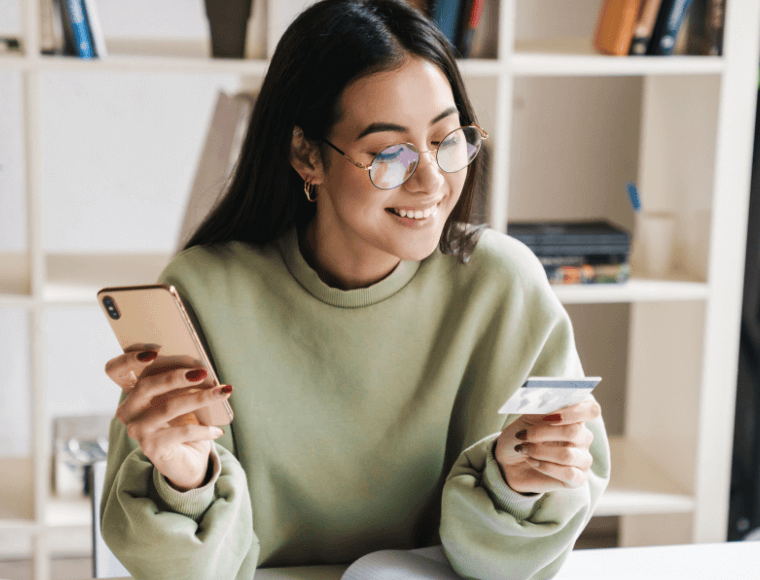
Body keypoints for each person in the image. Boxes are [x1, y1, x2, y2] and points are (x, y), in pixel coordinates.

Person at [99, 1, 610, 578]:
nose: (431, 181)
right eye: (389, 153)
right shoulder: (203, 291)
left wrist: (520, 484)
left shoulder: (503, 284)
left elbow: (512, 565)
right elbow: (186, 570)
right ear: (306, 154)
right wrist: (184, 478)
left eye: (448, 139)